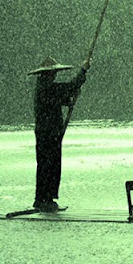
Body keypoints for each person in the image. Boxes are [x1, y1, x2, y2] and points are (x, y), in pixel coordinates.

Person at [28, 56, 89, 212]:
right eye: (53, 73)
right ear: (47, 74)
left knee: (49, 166)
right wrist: (83, 71)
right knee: (48, 166)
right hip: (48, 133)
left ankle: (45, 199)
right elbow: (69, 87)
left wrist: (70, 98)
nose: (54, 75)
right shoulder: (46, 88)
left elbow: (60, 98)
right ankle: (44, 200)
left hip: (49, 132)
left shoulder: (45, 88)